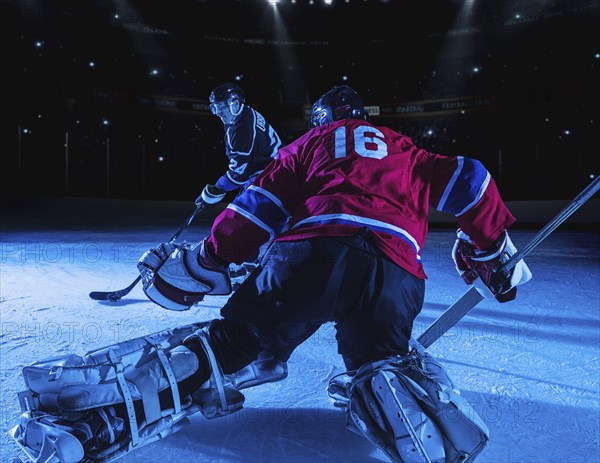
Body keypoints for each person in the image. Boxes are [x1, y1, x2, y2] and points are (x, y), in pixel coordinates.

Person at [12, 86, 531, 462]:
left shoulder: (305, 147)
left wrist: (204, 263)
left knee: (234, 345)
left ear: (322, 118)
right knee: (377, 354)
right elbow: (472, 180)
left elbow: (254, 212)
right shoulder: (404, 148)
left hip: (309, 256)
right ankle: (388, 383)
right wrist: (492, 252)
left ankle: (100, 418)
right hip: (394, 270)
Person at [195, 81, 283, 280]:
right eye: (214, 108)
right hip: (271, 174)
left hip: (267, 178)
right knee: (258, 224)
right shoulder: (245, 114)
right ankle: (256, 265)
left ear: (235, 103)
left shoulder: (240, 127)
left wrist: (214, 190)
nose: (218, 113)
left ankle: (257, 268)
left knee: (237, 222)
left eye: (221, 107)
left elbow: (238, 174)